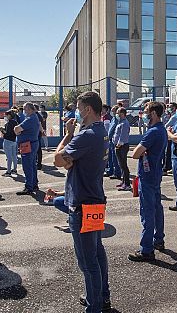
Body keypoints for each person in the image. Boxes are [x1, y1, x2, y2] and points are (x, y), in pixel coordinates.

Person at [53, 91, 111, 312]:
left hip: (83, 203)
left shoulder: (85, 136)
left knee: (88, 262)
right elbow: (71, 162)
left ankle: (94, 305)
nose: (75, 112)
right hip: (94, 198)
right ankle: (100, 295)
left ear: (87, 109)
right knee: (96, 252)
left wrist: (67, 136)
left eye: (78, 108)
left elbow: (59, 160)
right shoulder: (99, 131)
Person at [128, 101, 167, 262]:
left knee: (147, 212)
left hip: (148, 175)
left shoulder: (152, 132)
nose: (143, 115)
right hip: (155, 174)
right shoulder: (161, 130)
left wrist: (140, 149)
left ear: (154, 114)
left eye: (146, 112)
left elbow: (135, 154)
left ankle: (146, 249)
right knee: (157, 208)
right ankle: (158, 240)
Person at [14, 103, 40, 195]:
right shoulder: (34, 117)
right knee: (32, 165)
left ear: (30, 109)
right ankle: (34, 184)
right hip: (32, 143)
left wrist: (17, 132)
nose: (23, 111)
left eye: (25, 109)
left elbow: (17, 129)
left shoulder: (29, 119)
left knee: (27, 166)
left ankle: (29, 187)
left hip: (28, 145)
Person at [113, 108, 132, 191]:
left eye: (118, 113)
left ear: (122, 113)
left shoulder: (125, 123)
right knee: (121, 165)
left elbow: (123, 136)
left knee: (124, 165)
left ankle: (127, 184)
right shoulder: (120, 122)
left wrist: (118, 145)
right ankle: (123, 181)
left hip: (122, 146)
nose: (117, 114)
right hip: (119, 146)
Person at [105, 106, 121, 180]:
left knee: (115, 158)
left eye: (114, 111)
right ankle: (111, 171)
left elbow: (113, 130)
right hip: (110, 140)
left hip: (114, 140)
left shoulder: (118, 120)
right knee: (110, 157)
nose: (112, 112)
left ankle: (117, 172)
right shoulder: (113, 119)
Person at [1, 110, 19, 176]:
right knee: (14, 156)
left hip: (8, 141)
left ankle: (8, 171)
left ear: (9, 115)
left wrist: (2, 131)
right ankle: (14, 169)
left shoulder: (8, 123)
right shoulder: (15, 122)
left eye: (6, 115)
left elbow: (7, 133)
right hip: (14, 140)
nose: (5, 116)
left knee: (9, 157)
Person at [162, 103, 177, 176]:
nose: (168, 108)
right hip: (170, 135)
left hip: (170, 136)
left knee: (167, 153)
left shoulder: (174, 116)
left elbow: (167, 125)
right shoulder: (170, 115)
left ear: (174, 108)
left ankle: (165, 168)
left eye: (170, 107)